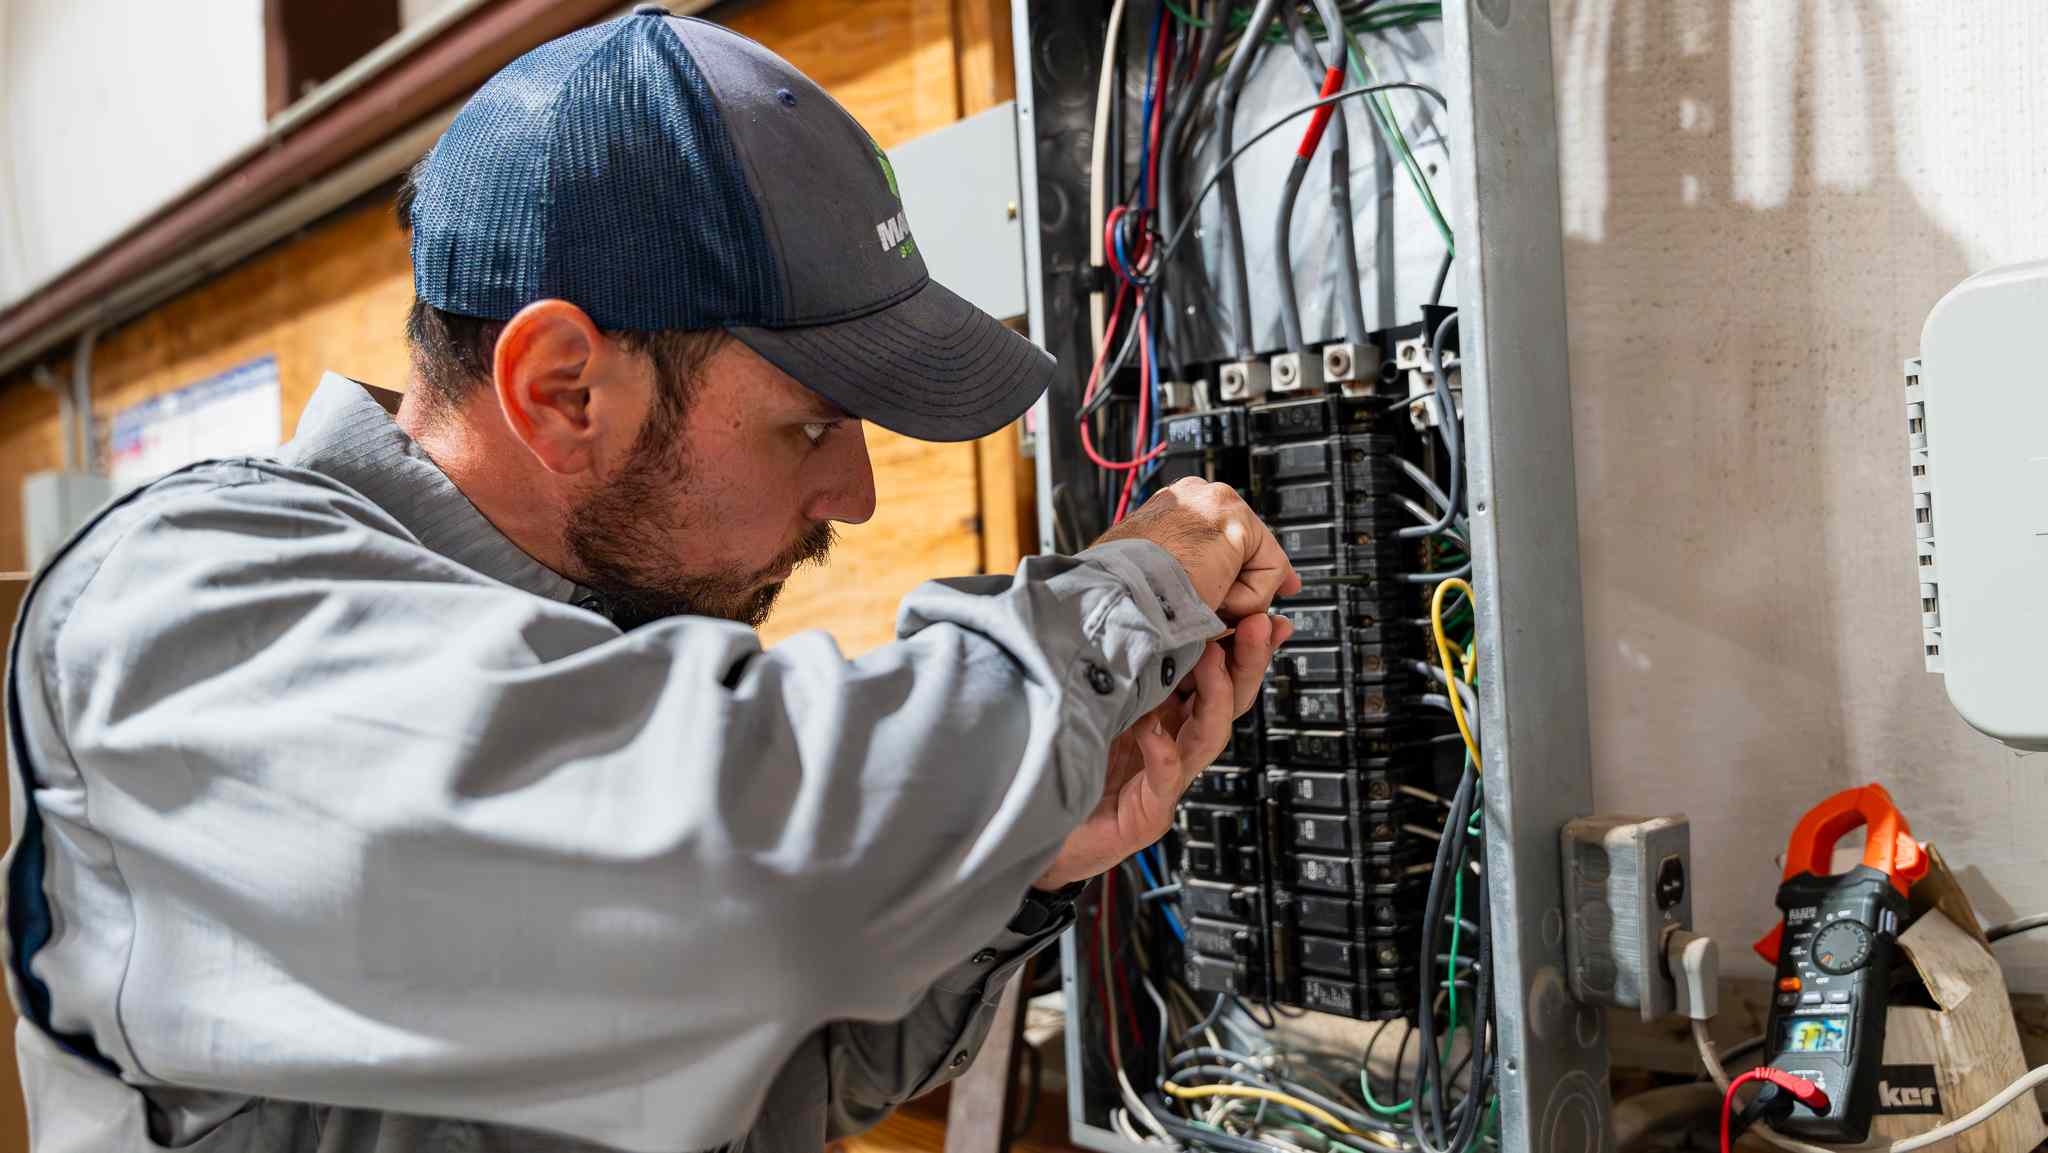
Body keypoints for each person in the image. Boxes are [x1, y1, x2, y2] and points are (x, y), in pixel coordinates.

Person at [3, 9, 1298, 1152]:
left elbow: (772, 1070)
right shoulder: (194, 610)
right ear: (563, 389)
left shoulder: (567, 640)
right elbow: (752, 879)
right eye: (811, 424)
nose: (852, 493)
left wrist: (1026, 861)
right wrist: (1121, 601)